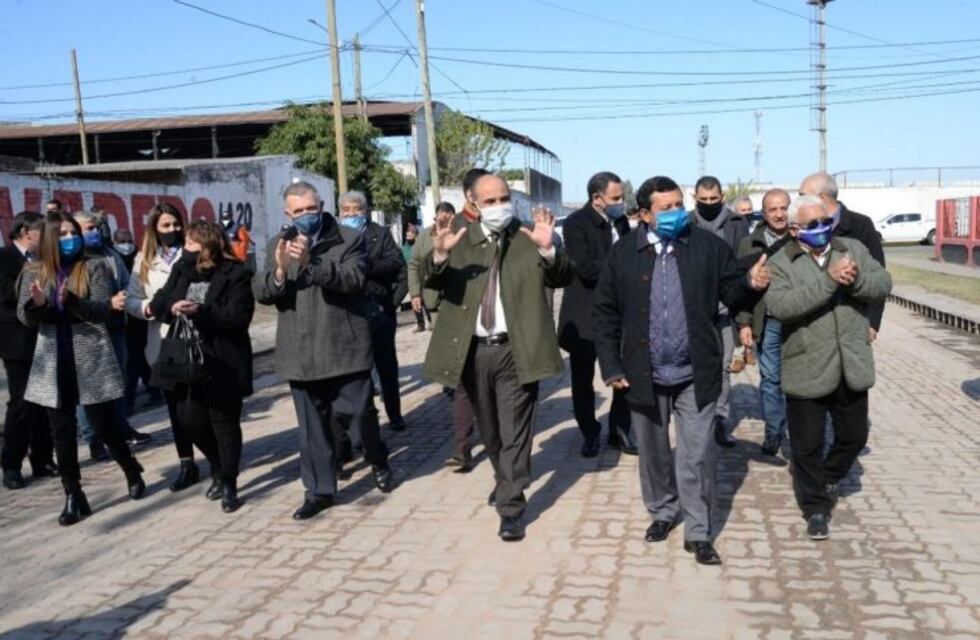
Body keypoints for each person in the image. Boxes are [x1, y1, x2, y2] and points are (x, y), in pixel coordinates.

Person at [593, 176, 770, 565]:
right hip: (644, 372)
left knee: (697, 454)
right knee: (654, 454)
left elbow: (732, 291)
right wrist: (610, 365)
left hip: (696, 370)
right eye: (666, 208)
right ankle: (662, 510)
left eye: (678, 205)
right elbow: (604, 312)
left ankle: (699, 530)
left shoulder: (707, 247)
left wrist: (751, 284)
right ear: (644, 214)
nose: (676, 213)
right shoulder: (623, 253)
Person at [420, 173, 573, 541]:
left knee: (515, 431)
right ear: (472, 203)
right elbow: (431, 281)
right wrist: (439, 254)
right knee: (490, 431)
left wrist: (549, 250)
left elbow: (563, 275)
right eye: (489, 201)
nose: (499, 206)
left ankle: (511, 506)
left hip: (517, 350)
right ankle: (504, 479)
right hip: (473, 352)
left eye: (504, 198)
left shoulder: (527, 237)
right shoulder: (458, 239)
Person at [253, 181, 393, 521]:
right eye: (298, 211)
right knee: (312, 428)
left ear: (322, 206)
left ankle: (377, 458)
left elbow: (353, 279)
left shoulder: (348, 238)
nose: (305, 216)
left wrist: (312, 263)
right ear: (288, 214)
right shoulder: (277, 244)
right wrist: (282, 270)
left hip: (345, 346)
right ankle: (319, 491)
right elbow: (262, 291)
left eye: (311, 209)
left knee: (358, 416)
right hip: (300, 353)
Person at [765, 195, 891, 540]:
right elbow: (783, 306)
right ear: (794, 230)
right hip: (806, 365)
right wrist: (830, 281)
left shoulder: (851, 248)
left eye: (826, 221)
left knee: (853, 436)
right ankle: (815, 508)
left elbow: (883, 283)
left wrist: (857, 281)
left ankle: (830, 476)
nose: (822, 229)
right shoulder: (780, 262)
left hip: (851, 363)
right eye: (812, 225)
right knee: (806, 447)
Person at [17, 211, 145, 526]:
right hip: (52, 360)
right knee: (62, 432)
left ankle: (130, 468)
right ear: (47, 239)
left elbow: (102, 311)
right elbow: (25, 317)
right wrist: (37, 305)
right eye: (61, 234)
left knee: (103, 426)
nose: (69, 239)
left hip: (90, 357)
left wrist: (72, 302)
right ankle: (74, 494)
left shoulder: (93, 267)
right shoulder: (34, 270)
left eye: (71, 232)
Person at [150, 220, 255, 513]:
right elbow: (160, 301)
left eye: (192, 243)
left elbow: (237, 316)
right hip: (184, 359)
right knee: (189, 420)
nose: (186, 248)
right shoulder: (182, 269)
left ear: (209, 244)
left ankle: (230, 484)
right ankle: (218, 466)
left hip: (223, 360)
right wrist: (171, 307)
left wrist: (201, 311)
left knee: (224, 423)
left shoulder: (236, 273)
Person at [558, 171, 637, 458]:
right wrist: (622, 266)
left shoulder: (621, 221)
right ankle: (590, 433)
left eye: (621, 197)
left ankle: (619, 430)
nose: (620, 203)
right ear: (597, 198)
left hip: (619, 313)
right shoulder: (576, 224)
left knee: (623, 375)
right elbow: (587, 269)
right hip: (584, 316)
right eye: (615, 198)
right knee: (583, 380)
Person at [126, 203, 200, 491]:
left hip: (196, 338)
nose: (173, 230)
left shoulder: (195, 251)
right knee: (176, 409)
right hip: (163, 342)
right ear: (155, 229)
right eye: (166, 226)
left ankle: (219, 460)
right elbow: (133, 300)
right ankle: (187, 463)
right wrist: (151, 308)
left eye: (176, 224)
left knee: (200, 405)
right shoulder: (143, 261)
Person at [74, 211, 152, 450]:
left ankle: (120, 428)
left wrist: (124, 297)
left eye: (95, 227)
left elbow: (127, 283)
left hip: (116, 328)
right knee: (89, 388)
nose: (93, 232)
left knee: (117, 382)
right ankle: (93, 438)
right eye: (87, 228)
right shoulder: (74, 261)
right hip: (87, 332)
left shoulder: (111, 254)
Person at [337, 191, 409, 432]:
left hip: (379, 311)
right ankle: (364, 422)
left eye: (356, 209)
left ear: (365, 211)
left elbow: (397, 264)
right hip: (348, 313)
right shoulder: (335, 236)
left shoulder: (380, 234)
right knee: (357, 372)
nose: (351, 214)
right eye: (346, 210)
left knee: (386, 367)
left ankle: (395, 415)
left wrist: (392, 301)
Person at [691, 176, 749, 449]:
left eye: (714, 199)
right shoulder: (687, 224)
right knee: (694, 367)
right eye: (704, 200)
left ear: (722, 196)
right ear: (695, 198)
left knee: (724, 367)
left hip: (726, 309)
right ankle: (696, 418)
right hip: (693, 311)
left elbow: (744, 264)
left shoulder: (737, 224)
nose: (709, 204)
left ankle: (719, 420)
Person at [1, 211, 56, 489]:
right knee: (21, 404)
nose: (46, 239)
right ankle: (11, 464)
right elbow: (7, 294)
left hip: (44, 339)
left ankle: (43, 459)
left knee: (46, 402)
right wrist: (35, 291)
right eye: (41, 232)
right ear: (26, 231)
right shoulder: (5, 258)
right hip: (17, 342)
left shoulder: (44, 260)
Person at [735, 189, 793, 456]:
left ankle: (799, 431)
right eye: (773, 209)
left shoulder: (802, 237)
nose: (779, 214)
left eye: (784, 208)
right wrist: (744, 323)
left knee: (799, 378)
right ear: (764, 212)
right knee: (771, 379)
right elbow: (742, 289)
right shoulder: (750, 243)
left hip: (799, 321)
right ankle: (773, 432)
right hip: (767, 321)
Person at [799, 172, 886, 341]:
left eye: (802, 196)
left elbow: (878, 275)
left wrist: (873, 323)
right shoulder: (800, 226)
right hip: (812, 324)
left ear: (821, 197)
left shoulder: (860, 225)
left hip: (852, 324)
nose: (798, 201)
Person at [114, 228, 156, 412]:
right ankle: (148, 391)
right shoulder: (114, 258)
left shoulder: (139, 258)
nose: (126, 245)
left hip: (139, 313)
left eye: (128, 240)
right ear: (115, 242)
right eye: (122, 241)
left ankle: (132, 399)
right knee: (134, 359)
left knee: (137, 358)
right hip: (124, 316)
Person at [402, 223, 429, 332]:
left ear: (415, 233)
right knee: (415, 300)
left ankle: (431, 320)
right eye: (406, 232)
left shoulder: (420, 245)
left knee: (426, 299)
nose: (407, 234)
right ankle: (420, 323)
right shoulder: (403, 248)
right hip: (411, 277)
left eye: (410, 232)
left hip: (423, 275)